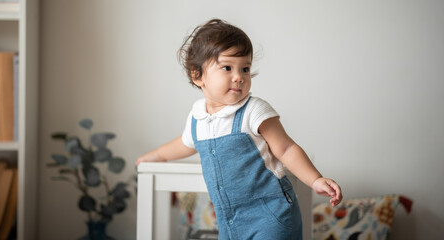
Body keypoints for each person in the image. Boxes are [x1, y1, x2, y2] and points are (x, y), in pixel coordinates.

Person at [136, 19, 342, 239]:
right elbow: (185, 143)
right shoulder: (198, 117)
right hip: (229, 218)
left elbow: (287, 148)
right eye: (227, 68)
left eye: (245, 68)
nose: (239, 77)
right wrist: (156, 155)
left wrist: (315, 179)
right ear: (198, 75)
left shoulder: (254, 110)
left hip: (270, 213)